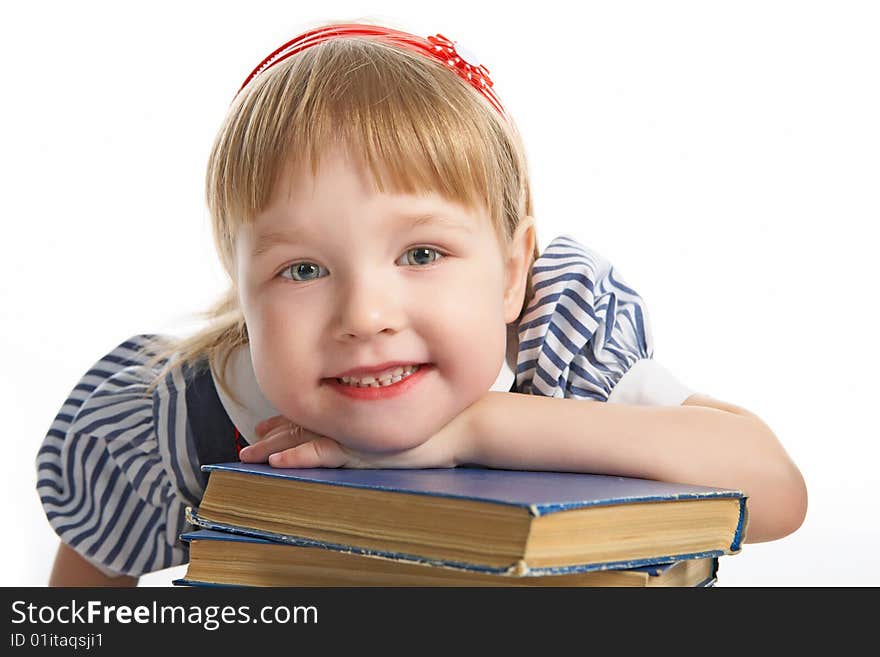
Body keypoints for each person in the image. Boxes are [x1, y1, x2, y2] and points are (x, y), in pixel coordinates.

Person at [36, 21, 807, 587]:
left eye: (422, 254)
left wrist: (478, 425)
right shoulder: (189, 415)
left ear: (511, 274)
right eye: (302, 269)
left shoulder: (553, 348)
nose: (366, 314)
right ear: (242, 291)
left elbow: (776, 490)